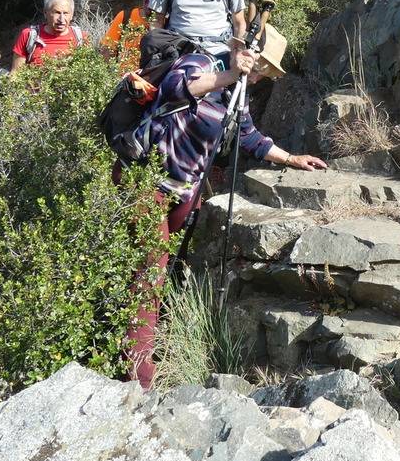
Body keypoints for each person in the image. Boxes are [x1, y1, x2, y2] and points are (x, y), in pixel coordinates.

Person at [122, 26, 324, 389]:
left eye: (265, 71)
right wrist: (230, 74)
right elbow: (175, 89)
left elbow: (248, 135)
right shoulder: (200, 63)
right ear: (238, 51)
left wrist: (291, 158)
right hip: (146, 182)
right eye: (258, 65)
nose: (259, 75)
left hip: (184, 191)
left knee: (168, 267)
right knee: (152, 268)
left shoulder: (239, 92)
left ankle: (156, 341)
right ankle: (138, 373)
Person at [11, 0, 85, 70]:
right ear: (45, 13)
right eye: (57, 13)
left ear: (71, 15)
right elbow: (16, 74)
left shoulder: (81, 37)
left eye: (66, 13)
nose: (61, 19)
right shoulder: (29, 35)